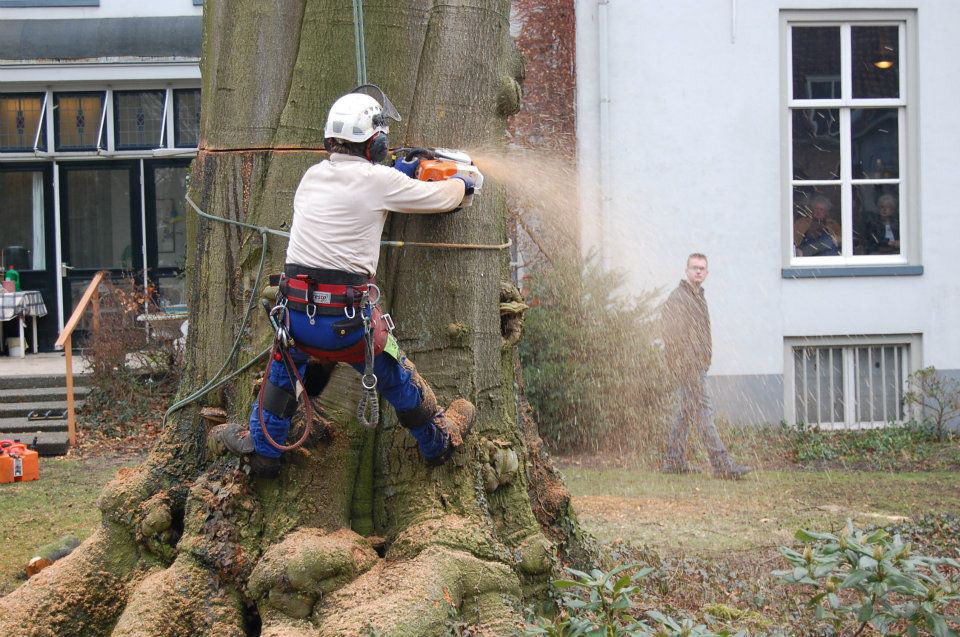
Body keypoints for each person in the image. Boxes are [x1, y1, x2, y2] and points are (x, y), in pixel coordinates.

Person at [208, 86, 476, 477]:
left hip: (297, 318)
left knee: (283, 372)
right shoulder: (379, 182)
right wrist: (463, 181)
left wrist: (399, 173)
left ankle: (265, 450)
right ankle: (437, 442)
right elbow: (439, 198)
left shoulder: (313, 176)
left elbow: (366, 183)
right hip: (349, 327)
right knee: (395, 373)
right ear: (377, 143)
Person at [659, 253, 751, 479]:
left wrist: (703, 359)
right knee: (704, 413)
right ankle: (722, 464)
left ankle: (673, 460)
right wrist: (685, 364)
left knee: (686, 413)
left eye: (702, 268)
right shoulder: (679, 298)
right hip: (689, 367)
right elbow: (672, 336)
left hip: (696, 364)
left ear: (707, 273)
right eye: (694, 268)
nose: (698, 271)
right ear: (686, 271)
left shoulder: (697, 296)